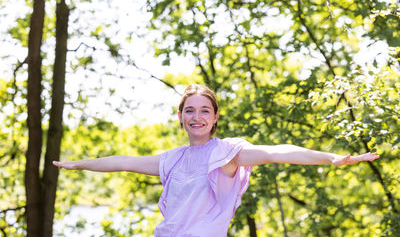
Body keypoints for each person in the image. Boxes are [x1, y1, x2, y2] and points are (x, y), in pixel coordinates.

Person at [53, 84, 380, 237]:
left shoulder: (227, 154)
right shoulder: (173, 160)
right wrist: (80, 164)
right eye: (190, 110)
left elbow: (277, 151)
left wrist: (333, 158)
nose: (197, 116)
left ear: (215, 117)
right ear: (180, 117)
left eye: (204, 110)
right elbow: (123, 160)